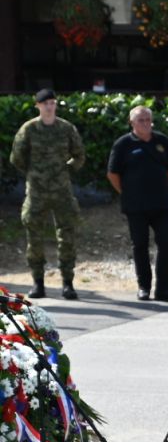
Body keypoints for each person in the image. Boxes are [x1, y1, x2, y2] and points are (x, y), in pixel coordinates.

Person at [11, 89, 84, 299]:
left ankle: (68, 283)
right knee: (34, 236)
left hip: (62, 191)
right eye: (45, 104)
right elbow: (17, 157)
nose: (50, 107)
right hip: (37, 192)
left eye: (52, 103)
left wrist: (66, 170)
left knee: (67, 235)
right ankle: (38, 282)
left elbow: (79, 154)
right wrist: (35, 173)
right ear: (38, 106)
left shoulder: (66, 128)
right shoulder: (29, 129)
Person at [107, 105, 168, 303]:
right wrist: (127, 191)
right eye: (141, 120)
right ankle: (144, 287)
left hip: (161, 203)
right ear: (132, 122)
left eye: (148, 119)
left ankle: (163, 288)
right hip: (135, 205)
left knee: (167, 241)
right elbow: (113, 174)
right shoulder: (123, 144)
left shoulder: (162, 141)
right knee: (140, 245)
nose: (146, 123)